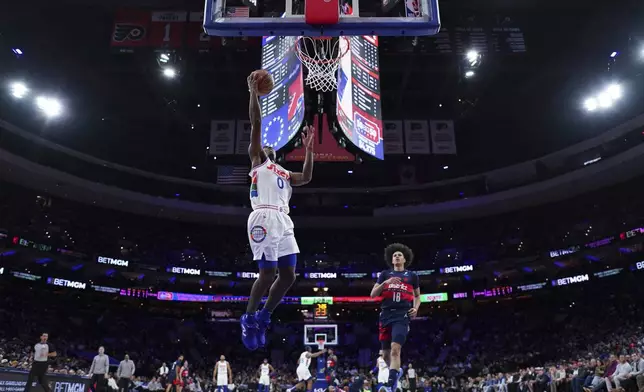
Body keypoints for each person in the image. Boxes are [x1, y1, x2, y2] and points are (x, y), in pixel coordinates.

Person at [240, 70, 316, 351]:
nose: (268, 146)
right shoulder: (258, 160)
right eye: (264, 145)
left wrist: (309, 150)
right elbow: (256, 122)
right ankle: (248, 317)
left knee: (288, 276)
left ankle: (263, 316)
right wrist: (253, 93)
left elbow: (306, 177)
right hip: (263, 215)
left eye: (272, 146)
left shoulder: (283, 171)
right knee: (267, 274)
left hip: (284, 220)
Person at [370, 243, 421, 392]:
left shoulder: (412, 276)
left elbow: (418, 296)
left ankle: (390, 385)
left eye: (399, 255)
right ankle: (396, 374)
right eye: (394, 255)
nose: (397, 256)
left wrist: (416, 308)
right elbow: (373, 294)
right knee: (386, 355)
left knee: (395, 349)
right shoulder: (385, 274)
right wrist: (385, 283)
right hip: (385, 314)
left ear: (405, 259)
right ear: (391, 260)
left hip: (402, 314)